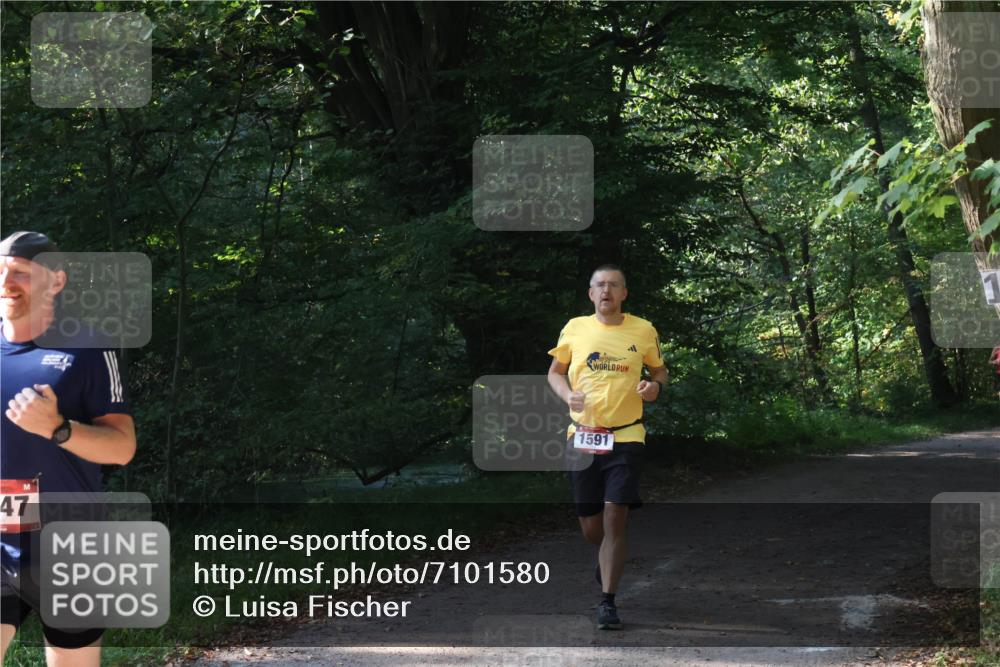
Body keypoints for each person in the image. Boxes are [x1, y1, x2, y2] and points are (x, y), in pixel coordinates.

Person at [0, 231, 136, 667]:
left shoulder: (88, 349)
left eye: (20, 272)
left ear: (56, 281)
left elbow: (123, 447)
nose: (6, 282)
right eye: (0, 271)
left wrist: (58, 429)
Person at [547, 264, 667, 630]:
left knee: (615, 512)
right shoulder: (574, 328)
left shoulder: (643, 330)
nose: (606, 290)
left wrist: (655, 387)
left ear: (624, 293)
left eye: (614, 285)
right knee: (591, 527)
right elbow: (555, 372)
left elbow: (659, 371)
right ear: (590, 293)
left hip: (626, 435)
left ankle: (608, 602)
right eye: (600, 285)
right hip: (583, 436)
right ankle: (608, 553)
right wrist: (568, 395)